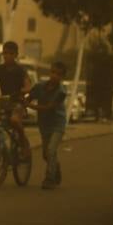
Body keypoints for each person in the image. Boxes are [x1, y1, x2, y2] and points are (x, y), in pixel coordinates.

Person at [26, 61, 70, 190]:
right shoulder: (40, 86)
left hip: (58, 124)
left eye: (58, 74)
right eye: (53, 72)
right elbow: (29, 97)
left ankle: (49, 179)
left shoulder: (61, 91)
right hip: (44, 124)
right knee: (46, 154)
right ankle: (55, 167)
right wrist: (23, 102)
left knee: (51, 150)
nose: (54, 76)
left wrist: (30, 106)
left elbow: (49, 108)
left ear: (62, 77)